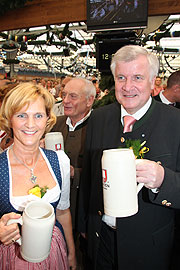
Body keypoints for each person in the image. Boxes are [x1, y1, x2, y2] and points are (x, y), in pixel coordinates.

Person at [78, 45, 180, 270]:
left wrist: (164, 179)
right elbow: (89, 177)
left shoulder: (176, 123)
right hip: (101, 239)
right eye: (121, 77)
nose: (128, 86)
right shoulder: (99, 118)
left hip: (149, 247)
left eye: (137, 77)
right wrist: (83, 224)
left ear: (153, 82)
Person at [0, 82, 76, 269]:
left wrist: (71, 253)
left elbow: (63, 212)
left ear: (47, 119)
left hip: (54, 251)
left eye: (38, 115)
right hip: (12, 257)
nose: (31, 124)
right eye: (21, 115)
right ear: (10, 119)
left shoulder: (60, 161)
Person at [51, 77, 96, 269]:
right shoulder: (54, 123)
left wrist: (74, 173)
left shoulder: (99, 126)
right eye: (64, 95)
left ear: (89, 100)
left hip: (84, 205)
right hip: (57, 206)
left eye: (73, 96)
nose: (66, 100)